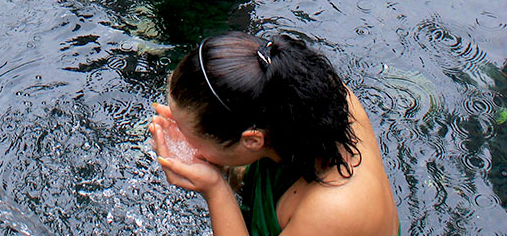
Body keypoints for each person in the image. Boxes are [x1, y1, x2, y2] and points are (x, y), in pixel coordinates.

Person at [149, 32, 400, 236]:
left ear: (252, 140)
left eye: (186, 132)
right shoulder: (304, 96)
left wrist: (215, 190)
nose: (179, 134)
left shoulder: (333, 209)